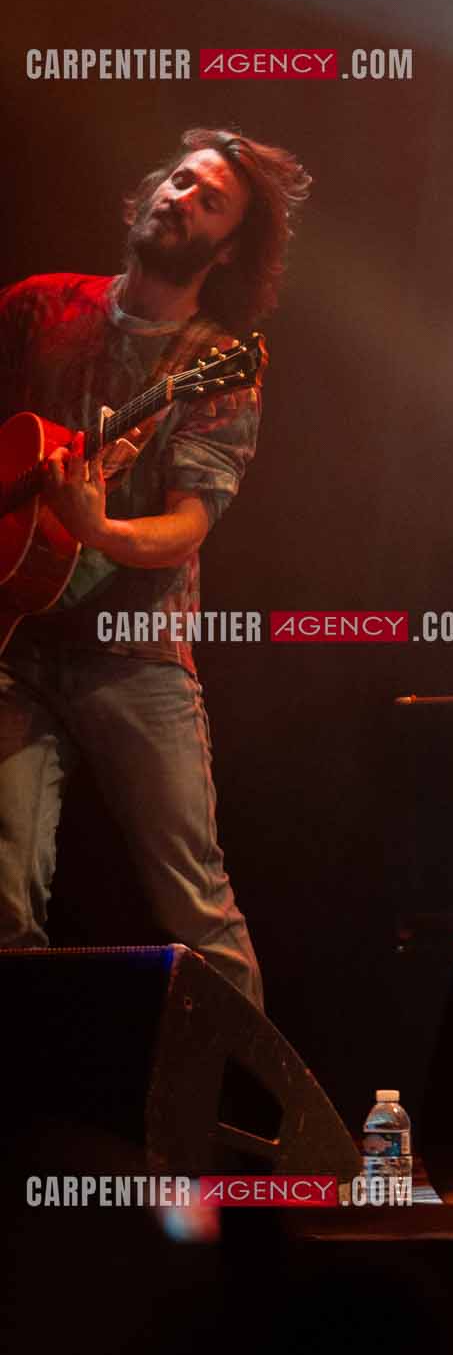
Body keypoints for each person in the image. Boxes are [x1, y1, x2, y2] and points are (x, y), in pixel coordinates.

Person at [0, 128, 312, 1006]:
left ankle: (260, 1132)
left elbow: (186, 526)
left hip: (134, 656)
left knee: (197, 913)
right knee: (4, 904)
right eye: (180, 181)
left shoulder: (217, 366)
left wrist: (96, 528)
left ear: (227, 248)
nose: (182, 199)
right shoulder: (37, 308)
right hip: (11, 645)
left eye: (210, 200)